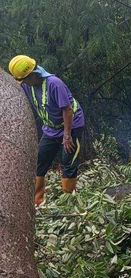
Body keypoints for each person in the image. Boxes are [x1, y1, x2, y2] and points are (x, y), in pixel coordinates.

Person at [8, 55, 85, 206]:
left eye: (25, 80)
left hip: (71, 125)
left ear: (34, 75)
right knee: (40, 160)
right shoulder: (27, 85)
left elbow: (67, 110)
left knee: (68, 161)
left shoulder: (54, 84)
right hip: (51, 129)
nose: (24, 84)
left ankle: (68, 201)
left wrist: (67, 135)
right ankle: (37, 201)